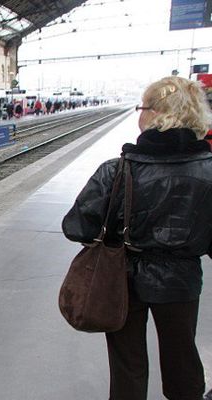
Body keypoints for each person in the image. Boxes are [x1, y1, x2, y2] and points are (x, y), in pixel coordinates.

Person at [61, 76, 212, 400]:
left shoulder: (116, 170)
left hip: (122, 280)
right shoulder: (208, 170)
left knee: (127, 366)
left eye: (141, 107)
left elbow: (76, 227)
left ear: (155, 113)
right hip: (181, 282)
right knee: (182, 358)